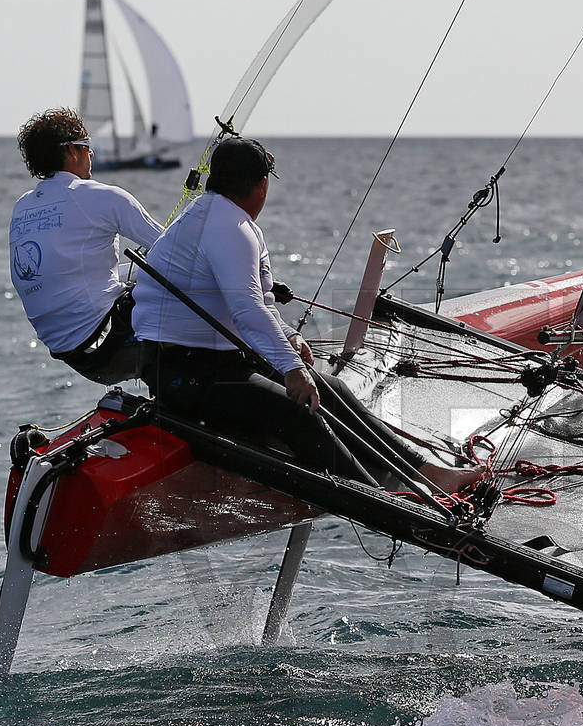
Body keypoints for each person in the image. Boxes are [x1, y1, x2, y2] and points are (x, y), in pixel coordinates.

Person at [131, 136, 469, 493]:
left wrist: (289, 337)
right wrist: (292, 369)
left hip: (215, 362)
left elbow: (259, 301)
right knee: (298, 410)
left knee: (332, 387)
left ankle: (424, 471)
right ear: (263, 185)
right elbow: (247, 310)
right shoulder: (229, 228)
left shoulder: (219, 217)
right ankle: (386, 498)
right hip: (182, 374)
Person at [10, 108, 163, 383]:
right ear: (71, 150)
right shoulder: (105, 197)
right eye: (86, 145)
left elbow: (70, 275)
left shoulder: (23, 206)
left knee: (142, 271)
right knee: (185, 274)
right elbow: (174, 249)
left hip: (74, 356)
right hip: (109, 343)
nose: (91, 153)